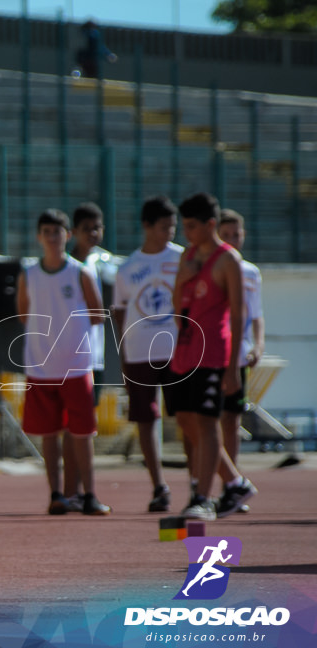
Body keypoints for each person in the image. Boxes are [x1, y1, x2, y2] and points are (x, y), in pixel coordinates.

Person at [16, 209, 111, 517]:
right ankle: (56, 495)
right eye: (46, 232)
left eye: (58, 232)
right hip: (41, 366)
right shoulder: (28, 274)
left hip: (77, 366)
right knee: (49, 433)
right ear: (38, 237)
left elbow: (97, 314)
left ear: (67, 236)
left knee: (82, 433)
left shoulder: (80, 272)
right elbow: (23, 314)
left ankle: (89, 495)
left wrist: (71, 335)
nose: (52, 237)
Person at [169, 193, 255, 521]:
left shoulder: (227, 260)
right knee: (186, 420)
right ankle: (234, 481)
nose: (186, 233)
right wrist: (183, 277)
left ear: (210, 224)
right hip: (185, 350)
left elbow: (237, 315)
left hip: (214, 353)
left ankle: (203, 497)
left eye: (192, 226)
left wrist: (233, 367)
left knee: (207, 422)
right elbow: (178, 307)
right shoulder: (188, 257)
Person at [112, 196, 183, 512]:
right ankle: (159, 485)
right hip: (139, 351)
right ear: (146, 226)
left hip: (179, 350)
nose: (169, 232)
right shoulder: (128, 268)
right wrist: (123, 353)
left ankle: (198, 485)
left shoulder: (184, 259)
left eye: (173, 226)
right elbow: (119, 313)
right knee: (146, 419)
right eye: (164, 226)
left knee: (188, 418)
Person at [62, 201, 115, 512]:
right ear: (73, 233)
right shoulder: (68, 267)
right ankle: (72, 490)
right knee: (71, 427)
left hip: (94, 357)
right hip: (71, 358)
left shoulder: (105, 265)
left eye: (97, 228)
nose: (93, 234)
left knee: (83, 427)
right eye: (86, 229)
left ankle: (81, 491)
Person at [216, 209, 264, 515]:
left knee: (231, 422)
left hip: (238, 354)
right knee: (202, 422)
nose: (233, 239)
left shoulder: (250, 272)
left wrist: (258, 344)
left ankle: (229, 490)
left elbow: (256, 314)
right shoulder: (210, 267)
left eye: (238, 234)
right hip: (212, 353)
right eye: (227, 234)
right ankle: (203, 486)